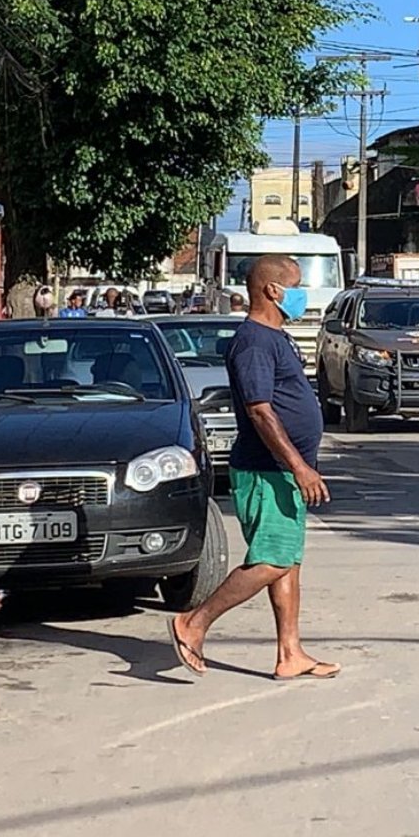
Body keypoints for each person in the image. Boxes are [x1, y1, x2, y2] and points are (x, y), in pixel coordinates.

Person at [170, 254, 338, 682]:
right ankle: (194, 622)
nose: (302, 295)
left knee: (287, 562)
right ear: (272, 290)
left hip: (281, 472)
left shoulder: (276, 337)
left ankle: (290, 653)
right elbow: (260, 411)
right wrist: (299, 466)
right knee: (272, 560)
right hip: (266, 470)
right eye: (296, 286)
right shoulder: (253, 343)